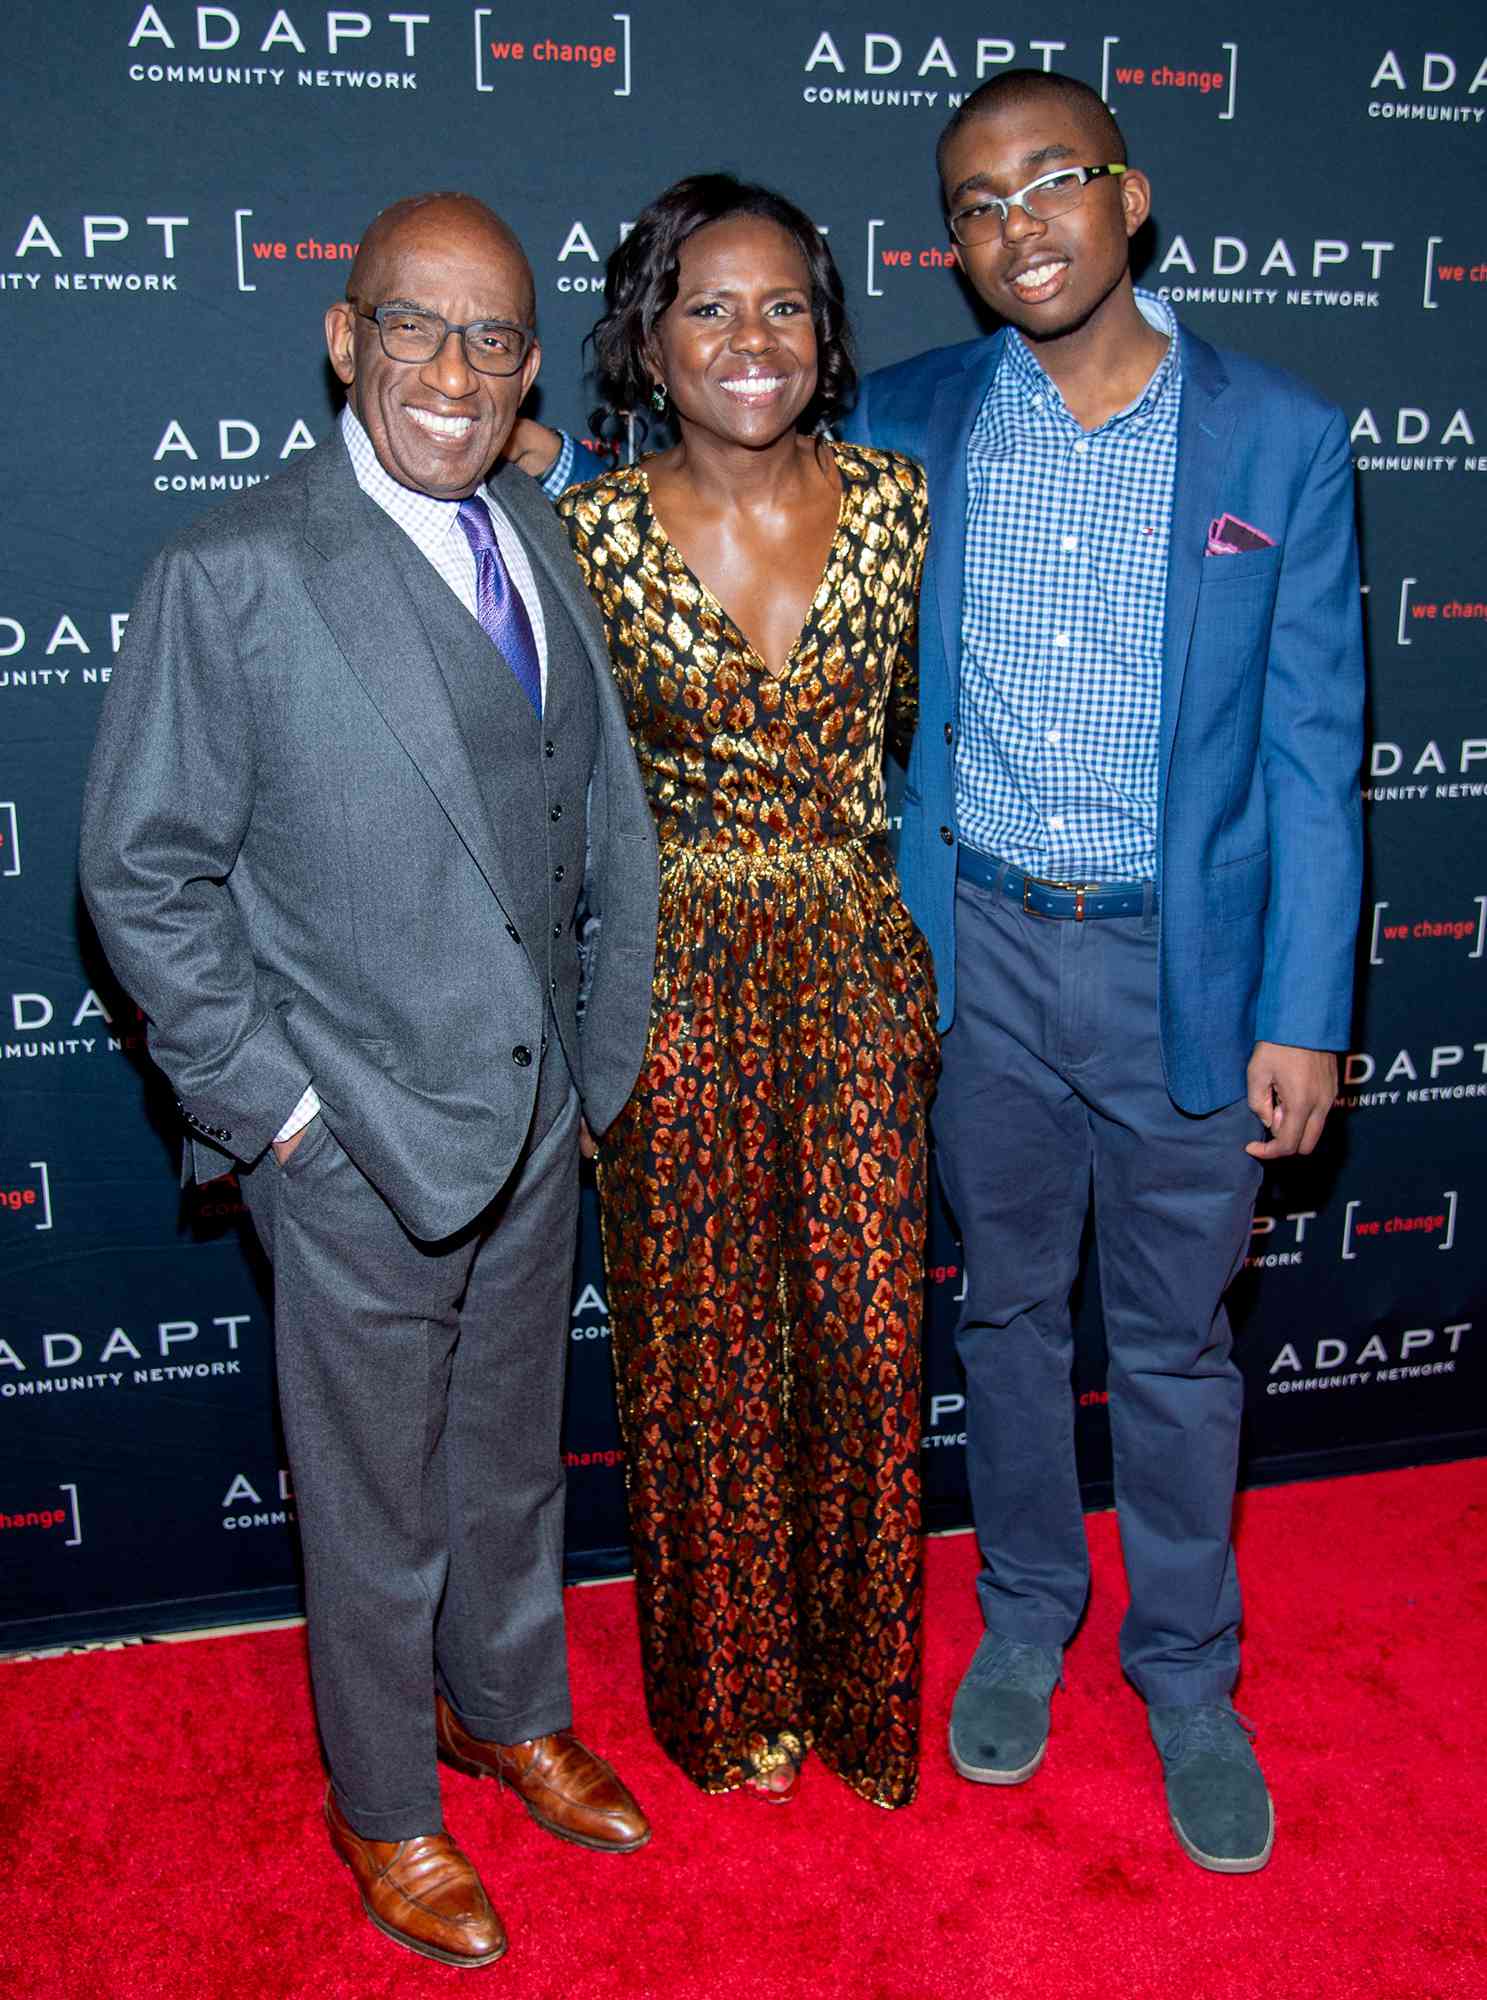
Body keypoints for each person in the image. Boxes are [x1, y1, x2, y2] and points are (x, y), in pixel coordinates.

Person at [79, 192, 659, 1968]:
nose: (455, 371)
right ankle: (384, 1802)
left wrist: (594, 1059)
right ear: (345, 339)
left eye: (494, 339)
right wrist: (281, 1115)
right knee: (373, 1499)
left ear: (530, 368)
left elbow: (589, 807)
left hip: (537, 1110)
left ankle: (509, 1710)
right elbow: (141, 870)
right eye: (417, 327)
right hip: (352, 1136)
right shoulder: (233, 574)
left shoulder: (536, 531)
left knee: (508, 1469)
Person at [843, 72, 1363, 1872]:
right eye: (976, 204)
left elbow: (1315, 745)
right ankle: (1022, 1618)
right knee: (996, 1319)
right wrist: (541, 448)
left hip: (1187, 979)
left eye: (1051, 181)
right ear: (956, 243)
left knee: (1173, 1348)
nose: (1017, 226)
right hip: (976, 953)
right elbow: (714, 474)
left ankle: (1192, 1675)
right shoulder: (908, 419)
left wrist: (1309, 1006)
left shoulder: (1276, 435)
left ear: (1129, 198)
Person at [527, 175, 938, 1808]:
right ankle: (731, 1703)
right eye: (709, 305)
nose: (749, 339)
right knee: (694, 1350)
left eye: (784, 305)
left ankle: (860, 1694)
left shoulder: (906, 503)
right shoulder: (585, 532)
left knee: (861, 1338)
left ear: (826, 331)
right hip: (669, 973)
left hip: (853, 964)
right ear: (647, 335)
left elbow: (951, 742)